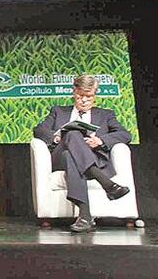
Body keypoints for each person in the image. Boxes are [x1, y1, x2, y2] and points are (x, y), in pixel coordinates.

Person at [33, 74, 132, 233]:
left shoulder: (105, 114)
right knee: (72, 134)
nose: (84, 100)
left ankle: (85, 216)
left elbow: (126, 135)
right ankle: (107, 184)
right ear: (74, 92)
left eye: (89, 97)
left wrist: (100, 140)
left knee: (70, 157)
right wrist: (56, 136)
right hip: (59, 157)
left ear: (94, 95)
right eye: (80, 96)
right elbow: (38, 130)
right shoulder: (58, 111)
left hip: (91, 158)